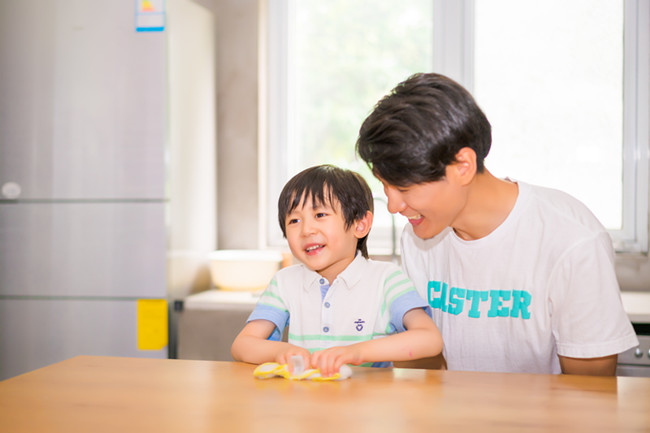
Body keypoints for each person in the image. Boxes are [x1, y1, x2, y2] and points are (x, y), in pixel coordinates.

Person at [355, 72, 638, 376]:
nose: (395, 206)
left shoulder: (572, 240)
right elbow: (427, 369)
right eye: (385, 187)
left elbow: (590, 394)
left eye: (405, 188)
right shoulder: (418, 237)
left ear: (462, 167)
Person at [231, 165, 443, 377]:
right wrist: (282, 351)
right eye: (294, 220)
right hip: (305, 403)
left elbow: (430, 339)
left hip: (370, 404)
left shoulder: (387, 279)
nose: (306, 230)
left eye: (320, 214)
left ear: (360, 225)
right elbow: (242, 345)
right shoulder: (284, 282)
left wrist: (356, 352)